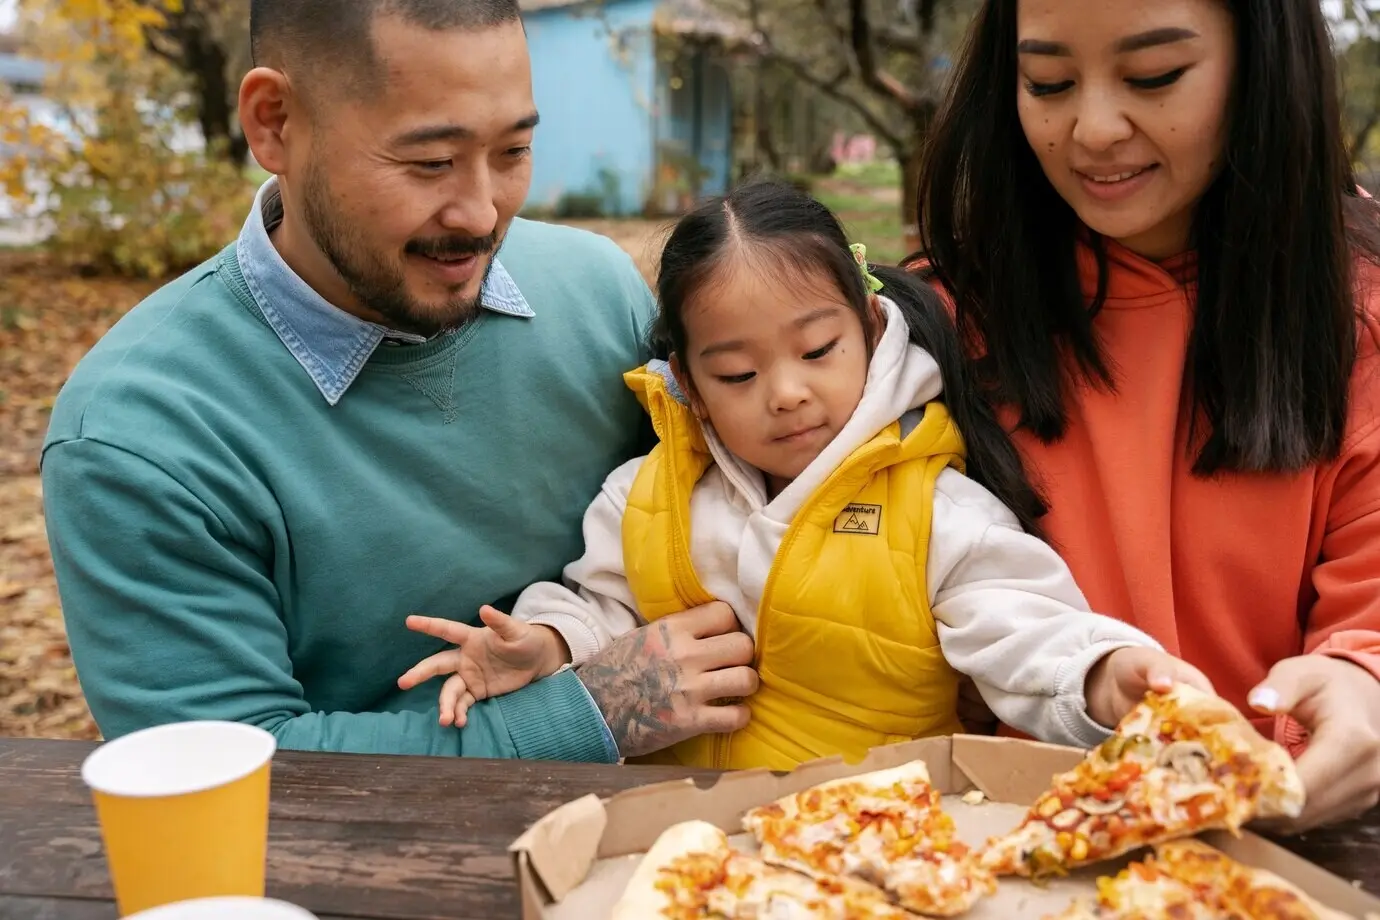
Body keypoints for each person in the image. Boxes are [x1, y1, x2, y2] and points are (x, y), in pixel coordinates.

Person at [38, 0, 759, 761]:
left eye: (512, 152)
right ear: (274, 122)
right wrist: (595, 713)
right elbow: (219, 772)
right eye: (430, 163)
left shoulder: (597, 292)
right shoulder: (138, 432)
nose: (481, 213)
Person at [394, 178, 1211, 771]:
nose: (786, 395)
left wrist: (1107, 676)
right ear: (689, 382)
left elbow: (1026, 630)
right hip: (679, 854)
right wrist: (545, 642)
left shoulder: (935, 507)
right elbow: (599, 603)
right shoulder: (643, 496)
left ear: (869, 324)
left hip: (867, 850)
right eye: (738, 375)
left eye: (818, 351)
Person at [911, 0, 1380, 830]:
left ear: (1264, 68)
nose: (1092, 128)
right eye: (1047, 82)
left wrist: (1360, 685)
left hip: (1280, 852)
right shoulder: (934, 325)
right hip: (985, 844)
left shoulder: (1362, 317)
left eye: (1154, 75)